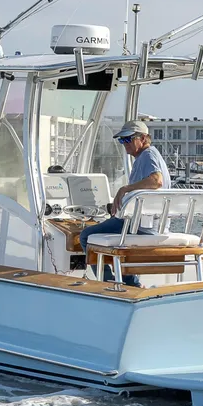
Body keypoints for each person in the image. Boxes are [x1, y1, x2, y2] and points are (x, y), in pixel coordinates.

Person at [79, 119, 172, 287]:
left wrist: (125, 189)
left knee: (86, 236)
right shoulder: (146, 157)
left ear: (143, 138)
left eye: (128, 139)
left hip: (141, 226)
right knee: (111, 230)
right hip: (150, 224)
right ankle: (130, 284)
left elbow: (156, 181)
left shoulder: (148, 155)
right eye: (121, 140)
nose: (124, 144)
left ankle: (108, 283)